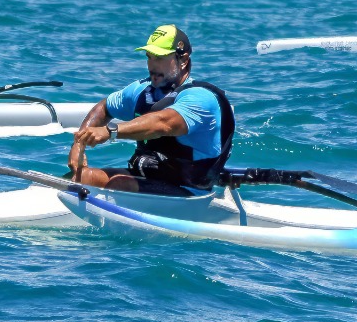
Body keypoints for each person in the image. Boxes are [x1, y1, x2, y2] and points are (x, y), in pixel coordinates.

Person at [67, 24, 235, 196]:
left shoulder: (200, 98)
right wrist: (78, 144)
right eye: (149, 57)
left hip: (189, 192)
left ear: (183, 60)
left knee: (118, 183)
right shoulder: (142, 90)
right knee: (82, 177)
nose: (152, 66)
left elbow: (163, 123)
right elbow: (104, 107)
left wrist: (111, 131)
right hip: (147, 178)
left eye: (160, 58)